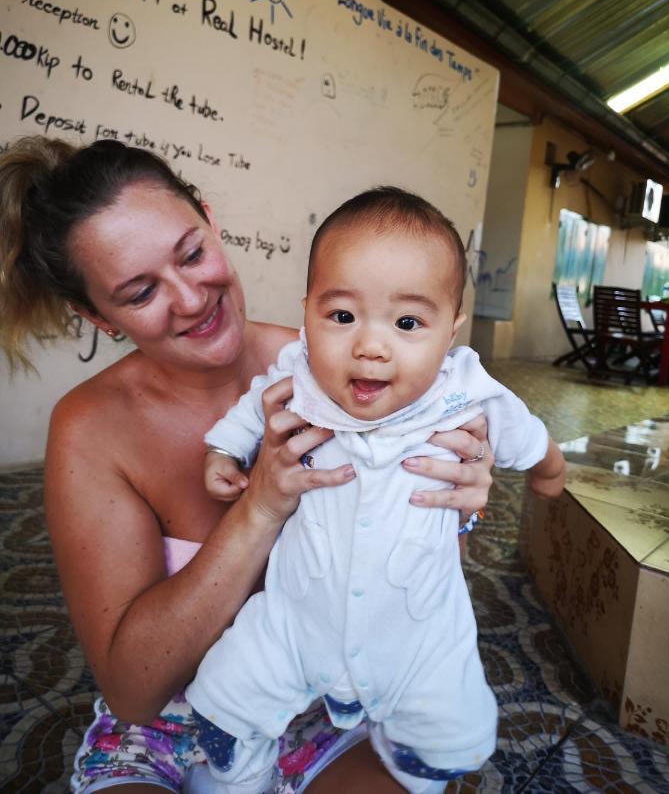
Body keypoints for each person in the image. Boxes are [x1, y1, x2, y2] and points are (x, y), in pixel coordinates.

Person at [0, 139, 496, 794]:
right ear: (97, 316)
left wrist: (458, 503)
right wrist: (260, 508)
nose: (190, 297)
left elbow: (415, 585)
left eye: (192, 253)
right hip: (169, 733)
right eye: (140, 290)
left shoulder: (346, 371)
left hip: (331, 704)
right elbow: (134, 692)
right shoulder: (90, 428)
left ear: (210, 219)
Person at [186, 188, 567, 793]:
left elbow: (529, 437)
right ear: (307, 310)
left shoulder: (467, 391)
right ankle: (238, 757)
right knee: (236, 682)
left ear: (451, 330)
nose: (370, 345)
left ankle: (419, 754)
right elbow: (253, 409)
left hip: (414, 628)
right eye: (341, 317)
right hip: (296, 615)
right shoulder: (299, 374)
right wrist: (223, 449)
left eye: (409, 322)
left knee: (448, 719)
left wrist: (548, 472)